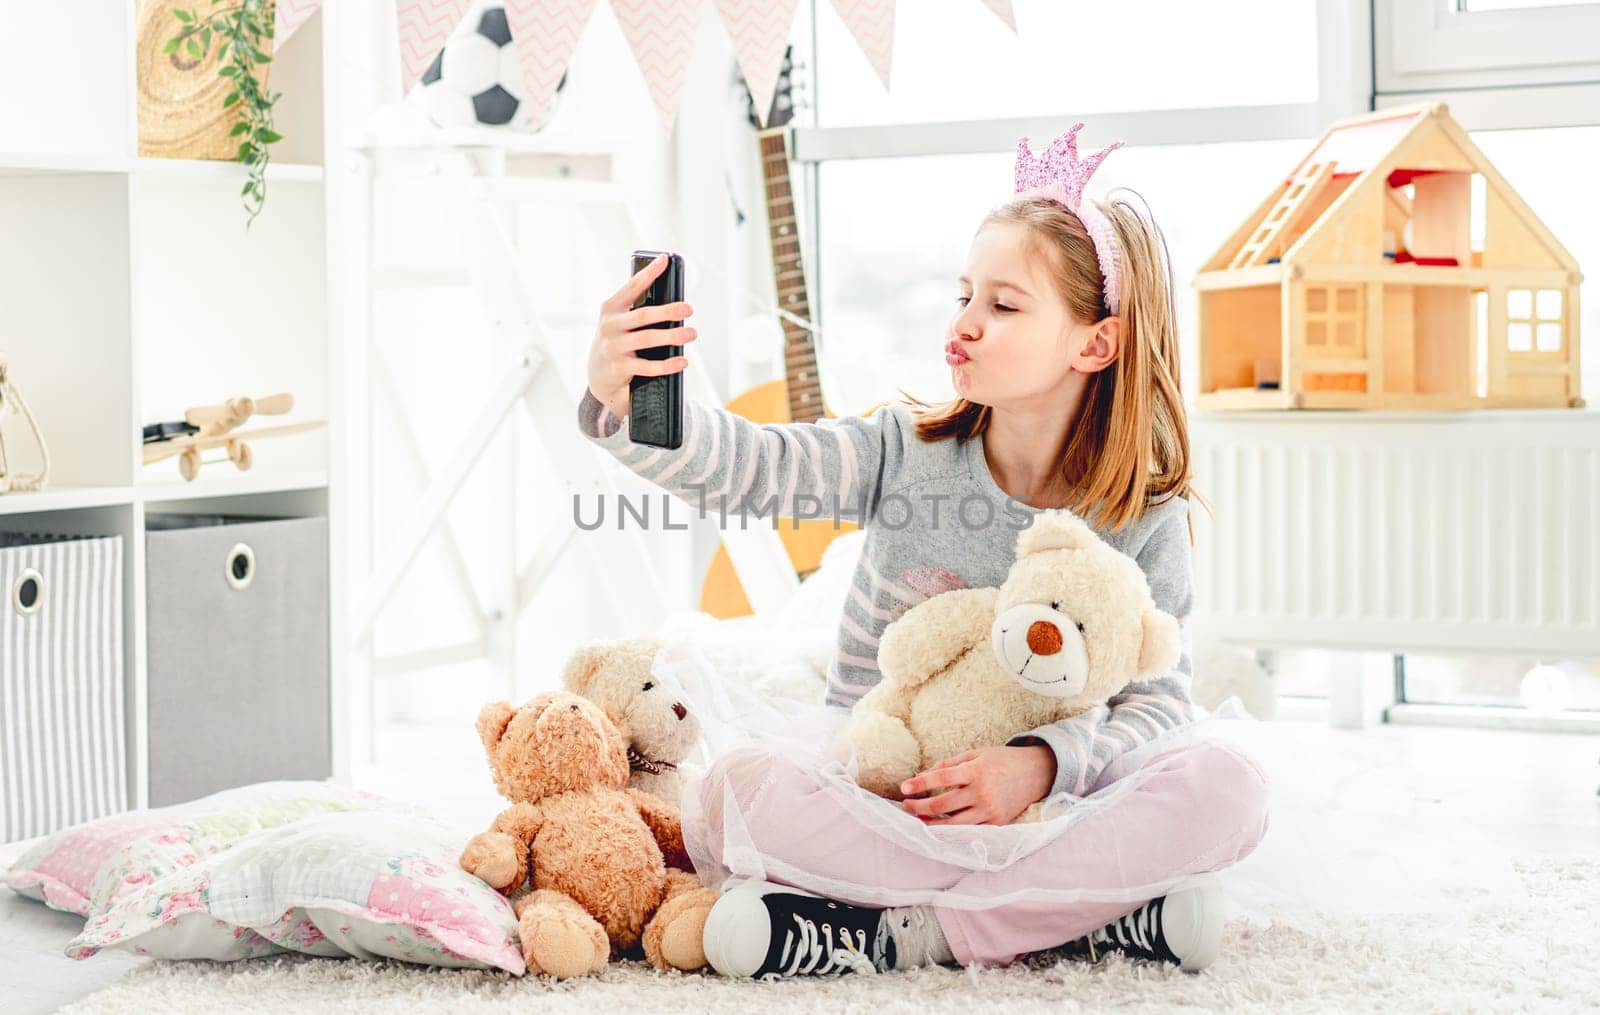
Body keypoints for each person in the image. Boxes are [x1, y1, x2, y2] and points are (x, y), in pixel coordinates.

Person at [576, 124, 1270, 979]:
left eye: (1005, 305)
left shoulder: (1142, 514)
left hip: (1050, 809)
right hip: (881, 792)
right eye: (963, 294)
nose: (965, 324)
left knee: (1230, 786)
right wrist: (625, 405)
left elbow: (1159, 709)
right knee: (731, 795)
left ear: (1096, 342)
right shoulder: (904, 449)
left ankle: (904, 931)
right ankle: (1072, 920)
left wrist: (1041, 766)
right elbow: (752, 472)